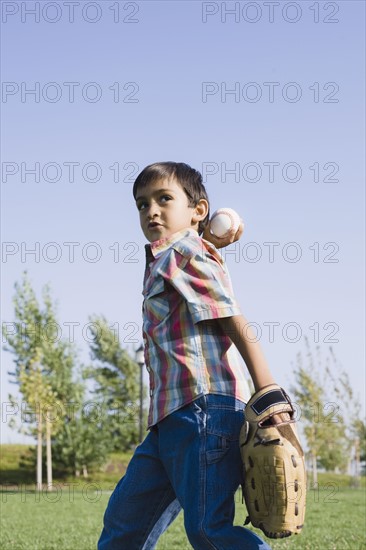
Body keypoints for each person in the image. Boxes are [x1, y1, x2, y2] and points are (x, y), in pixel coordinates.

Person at [98, 161, 280, 550]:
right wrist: (208, 235)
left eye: (164, 199)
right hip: (168, 419)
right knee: (123, 529)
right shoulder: (173, 256)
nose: (151, 211)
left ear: (197, 210)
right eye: (142, 204)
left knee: (209, 531)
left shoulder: (183, 252)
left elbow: (233, 317)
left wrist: (268, 389)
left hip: (203, 410)